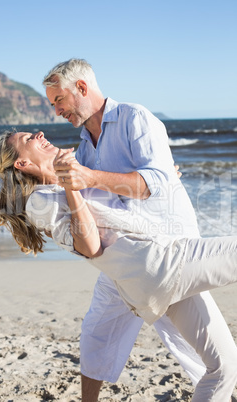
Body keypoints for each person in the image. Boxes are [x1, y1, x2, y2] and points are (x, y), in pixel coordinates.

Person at [0, 130, 237, 402]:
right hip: (162, 263)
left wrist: (159, 187)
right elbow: (90, 247)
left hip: (152, 277)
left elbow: (123, 214)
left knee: (224, 365)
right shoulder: (40, 201)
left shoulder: (76, 177)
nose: (39, 133)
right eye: (28, 139)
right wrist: (71, 188)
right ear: (22, 164)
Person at [41, 59, 213, 400]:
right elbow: (95, 198)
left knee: (194, 343)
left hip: (169, 252)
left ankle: (219, 389)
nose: (56, 110)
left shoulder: (135, 118)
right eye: (52, 104)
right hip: (123, 258)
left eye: (58, 100)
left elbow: (155, 184)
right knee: (96, 332)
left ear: (82, 88)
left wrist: (91, 178)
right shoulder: (85, 146)